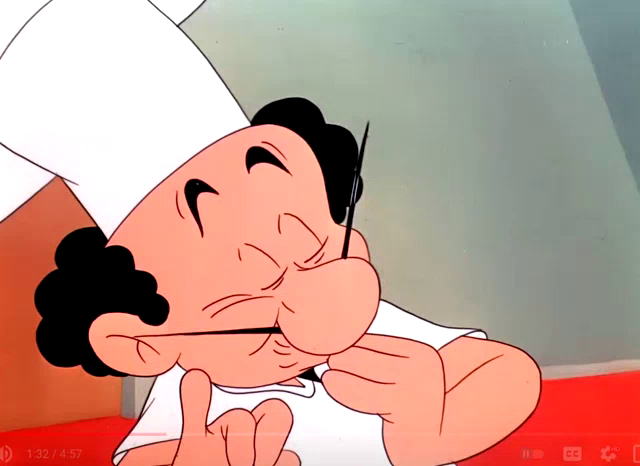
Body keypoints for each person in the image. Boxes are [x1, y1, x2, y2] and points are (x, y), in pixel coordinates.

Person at [0, 1, 542, 465]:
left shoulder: (371, 327)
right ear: (139, 342)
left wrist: (430, 425)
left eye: (320, 248)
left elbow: (507, 372)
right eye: (260, 284)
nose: (318, 290)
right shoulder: (195, 402)